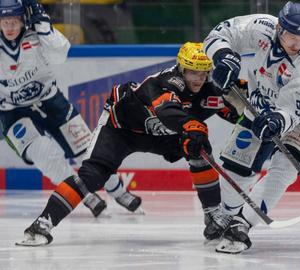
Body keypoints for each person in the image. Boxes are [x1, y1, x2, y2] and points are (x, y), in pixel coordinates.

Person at [16, 42, 242, 246]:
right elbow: (167, 111)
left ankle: (213, 215)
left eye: (203, 73)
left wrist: (249, 105)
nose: (198, 79)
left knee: (200, 150)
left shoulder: (212, 88)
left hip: (162, 135)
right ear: (181, 69)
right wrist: (192, 127)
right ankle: (43, 223)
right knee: (92, 175)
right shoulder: (163, 83)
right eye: (193, 72)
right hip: (120, 129)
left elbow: (238, 109)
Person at [203, 1, 300, 254]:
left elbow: (294, 107)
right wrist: (222, 56)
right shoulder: (262, 26)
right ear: (279, 28)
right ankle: (227, 215)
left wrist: (278, 120)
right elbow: (219, 34)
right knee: (236, 165)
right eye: (291, 36)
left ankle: (242, 224)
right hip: (258, 106)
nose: (296, 44)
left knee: (286, 168)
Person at [0, 0, 141, 218]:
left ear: (23, 20)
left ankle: (118, 191)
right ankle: (84, 195)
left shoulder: (37, 33)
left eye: (14, 21)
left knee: (88, 148)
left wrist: (44, 25)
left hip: (50, 100)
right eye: (4, 21)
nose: (9, 27)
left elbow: (60, 54)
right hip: (11, 112)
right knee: (44, 153)